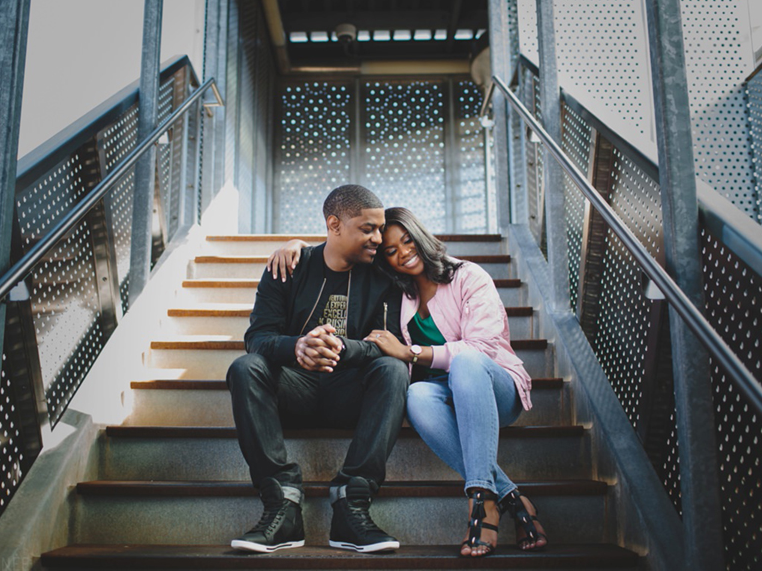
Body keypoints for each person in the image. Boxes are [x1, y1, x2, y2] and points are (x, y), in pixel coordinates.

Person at [226, 185, 407, 554]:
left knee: (393, 370)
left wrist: (339, 347)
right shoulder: (288, 267)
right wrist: (297, 347)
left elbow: (382, 343)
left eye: (379, 228)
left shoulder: (384, 277)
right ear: (334, 225)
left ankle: (352, 504)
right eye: (367, 229)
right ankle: (283, 505)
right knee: (245, 369)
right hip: (294, 389)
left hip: (350, 393)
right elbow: (257, 337)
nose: (378, 238)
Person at [364, 207, 547, 557]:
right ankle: (506, 496)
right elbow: (345, 259)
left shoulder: (468, 276)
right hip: (445, 397)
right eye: (391, 250)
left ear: (420, 235)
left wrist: (410, 352)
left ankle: (479, 502)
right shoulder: (400, 295)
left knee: (465, 362)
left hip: (495, 389)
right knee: (416, 394)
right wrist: (295, 245)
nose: (403, 252)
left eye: (407, 240)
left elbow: (479, 348)